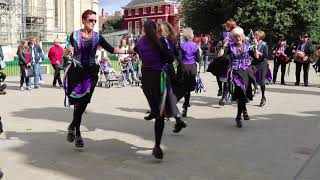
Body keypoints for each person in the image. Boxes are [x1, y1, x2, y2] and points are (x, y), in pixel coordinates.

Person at [64, 10, 130, 148]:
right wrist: (67, 52)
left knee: (84, 101)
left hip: (91, 73)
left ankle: (72, 126)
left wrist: (129, 51)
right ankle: (77, 132)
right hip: (77, 72)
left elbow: (111, 50)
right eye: (90, 20)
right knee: (77, 103)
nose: (93, 23)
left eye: (95, 20)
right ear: (83, 20)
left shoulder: (97, 37)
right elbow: (65, 53)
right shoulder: (74, 35)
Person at [133, 20, 181, 159]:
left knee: (156, 109)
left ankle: (154, 111)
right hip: (158, 77)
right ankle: (157, 146)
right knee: (160, 114)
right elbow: (170, 58)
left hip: (146, 79)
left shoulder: (141, 42)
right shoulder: (160, 41)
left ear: (144, 30)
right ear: (155, 29)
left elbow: (136, 50)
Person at [218, 27, 256, 128]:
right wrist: (223, 46)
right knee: (240, 92)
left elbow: (256, 56)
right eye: (235, 37)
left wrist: (256, 47)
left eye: (239, 36)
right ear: (233, 38)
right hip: (235, 73)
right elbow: (220, 56)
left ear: (242, 36)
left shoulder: (248, 45)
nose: (237, 38)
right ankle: (238, 117)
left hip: (246, 72)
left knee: (243, 94)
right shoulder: (230, 47)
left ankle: (243, 110)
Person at [158, 21, 187, 133]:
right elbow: (178, 55)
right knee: (168, 95)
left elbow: (170, 56)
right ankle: (178, 120)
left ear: (161, 30)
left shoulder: (161, 41)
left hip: (162, 71)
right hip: (169, 70)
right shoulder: (170, 41)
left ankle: (164, 118)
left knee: (163, 96)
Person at [176, 28, 201, 117]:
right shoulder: (195, 46)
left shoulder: (181, 45)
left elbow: (179, 58)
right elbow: (199, 59)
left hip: (183, 68)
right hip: (192, 69)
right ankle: (185, 106)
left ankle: (173, 105)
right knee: (188, 89)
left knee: (180, 87)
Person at [251, 30, 269, 107]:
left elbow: (265, 55)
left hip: (262, 63)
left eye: (256, 35)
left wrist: (258, 52)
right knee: (248, 73)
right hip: (254, 62)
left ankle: (263, 97)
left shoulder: (264, 44)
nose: (254, 36)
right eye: (254, 35)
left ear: (260, 36)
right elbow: (251, 54)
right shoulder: (252, 44)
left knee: (262, 81)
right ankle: (255, 88)